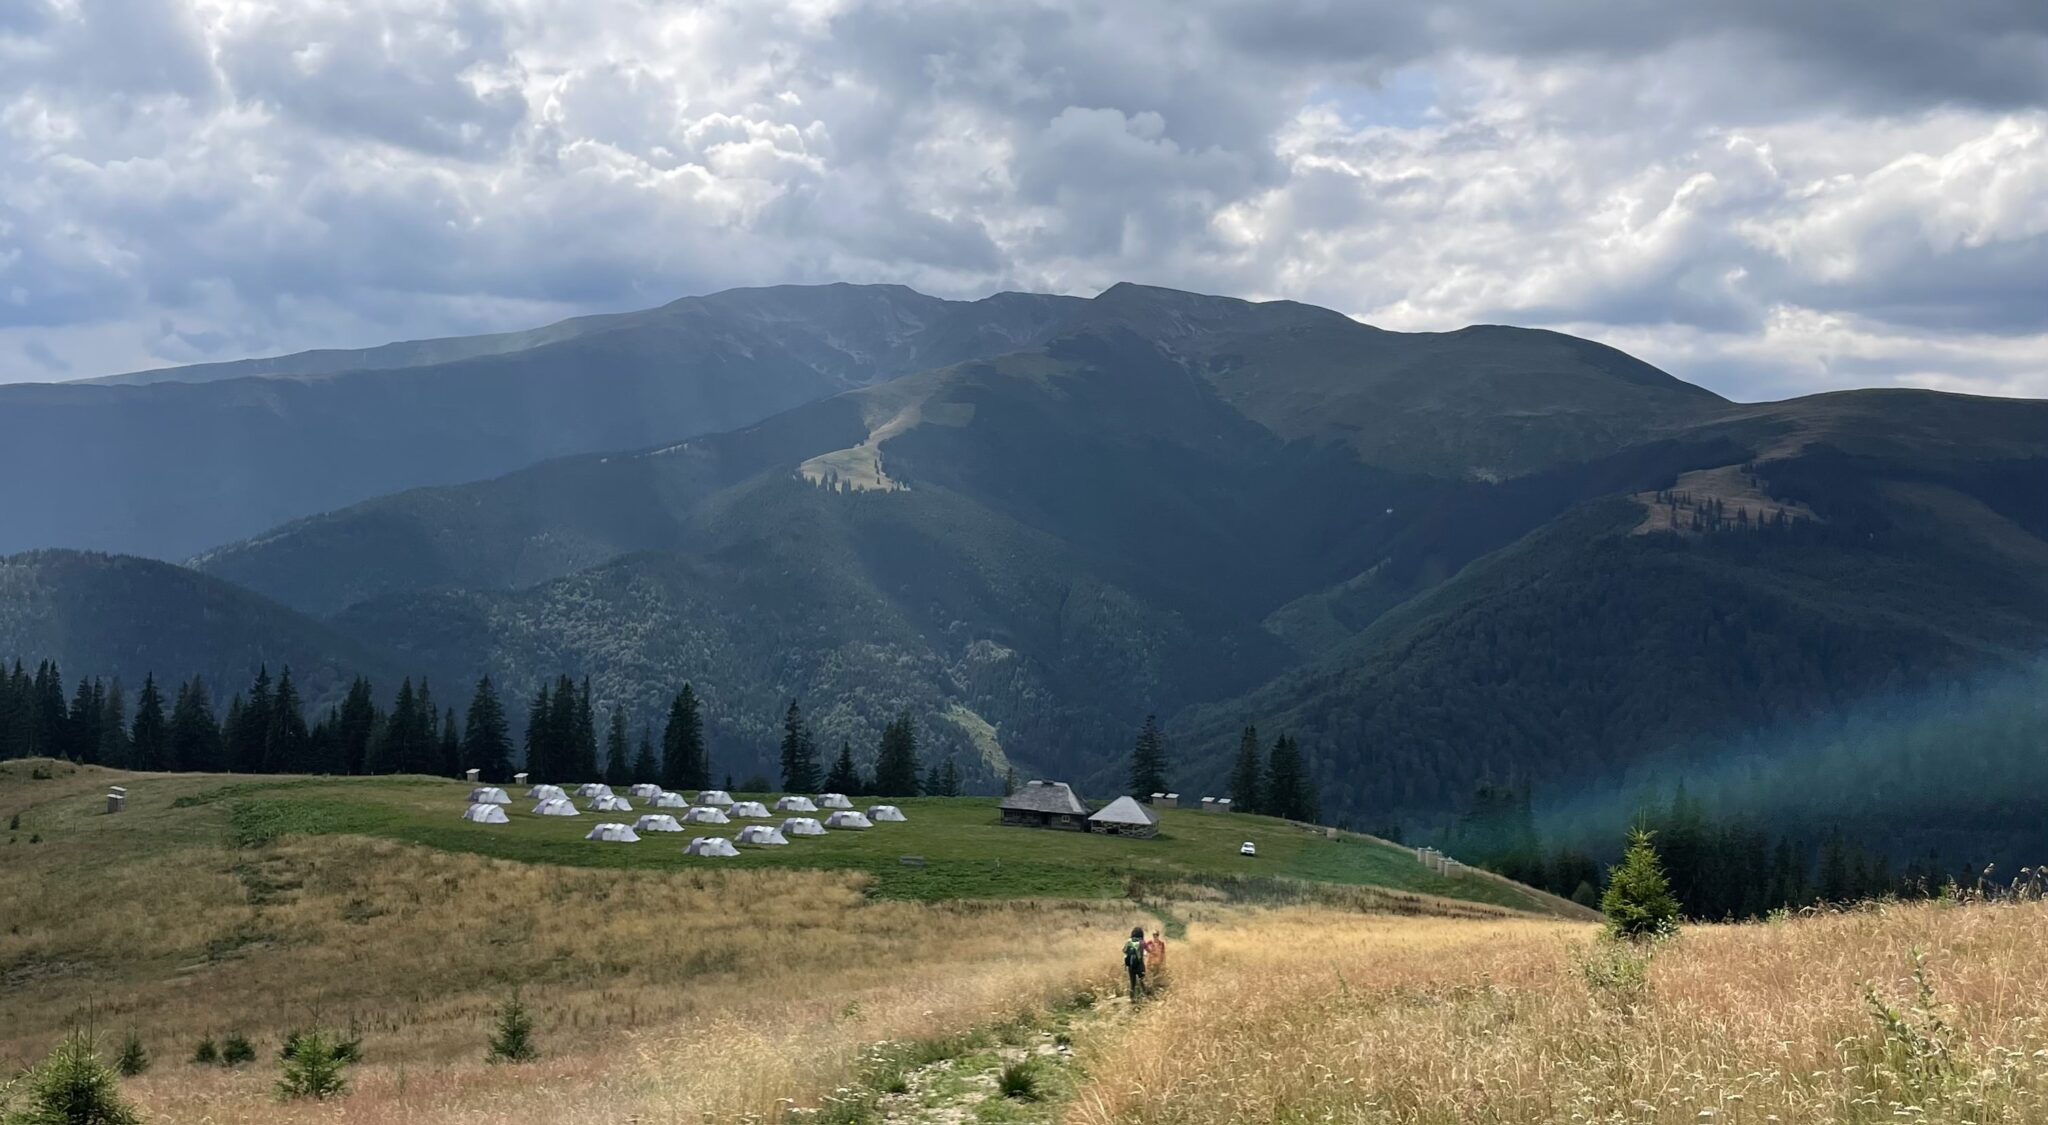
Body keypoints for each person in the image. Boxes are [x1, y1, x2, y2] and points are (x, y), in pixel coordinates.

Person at [1122, 925, 1147, 1001]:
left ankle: (1131, 999)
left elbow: (1124, 950)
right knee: (1142, 981)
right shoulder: (1142, 942)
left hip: (1131, 965)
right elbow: (1144, 952)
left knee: (1132, 984)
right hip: (1140, 965)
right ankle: (1145, 997)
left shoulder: (1129, 941)